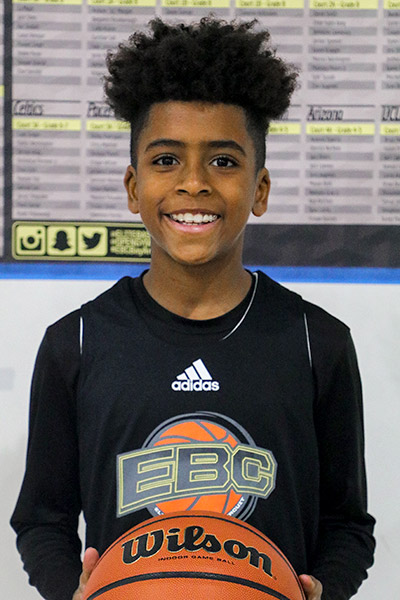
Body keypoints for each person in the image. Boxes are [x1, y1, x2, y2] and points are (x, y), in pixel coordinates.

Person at [11, 17, 375, 600]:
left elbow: (348, 525)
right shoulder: (76, 342)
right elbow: (41, 520)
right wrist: (71, 591)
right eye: (166, 160)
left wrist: (321, 589)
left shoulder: (316, 342)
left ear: (260, 189)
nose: (194, 184)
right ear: (133, 188)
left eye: (224, 161)